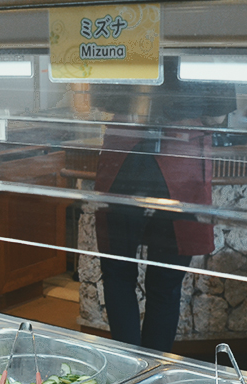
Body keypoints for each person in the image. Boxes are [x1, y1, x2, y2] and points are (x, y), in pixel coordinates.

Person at [95, 71, 234, 351]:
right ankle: (153, 370)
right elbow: (217, 116)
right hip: (181, 150)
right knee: (166, 283)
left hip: (125, 143)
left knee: (118, 274)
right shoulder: (206, 31)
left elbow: (101, 100)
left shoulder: (123, 29)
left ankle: (130, 369)